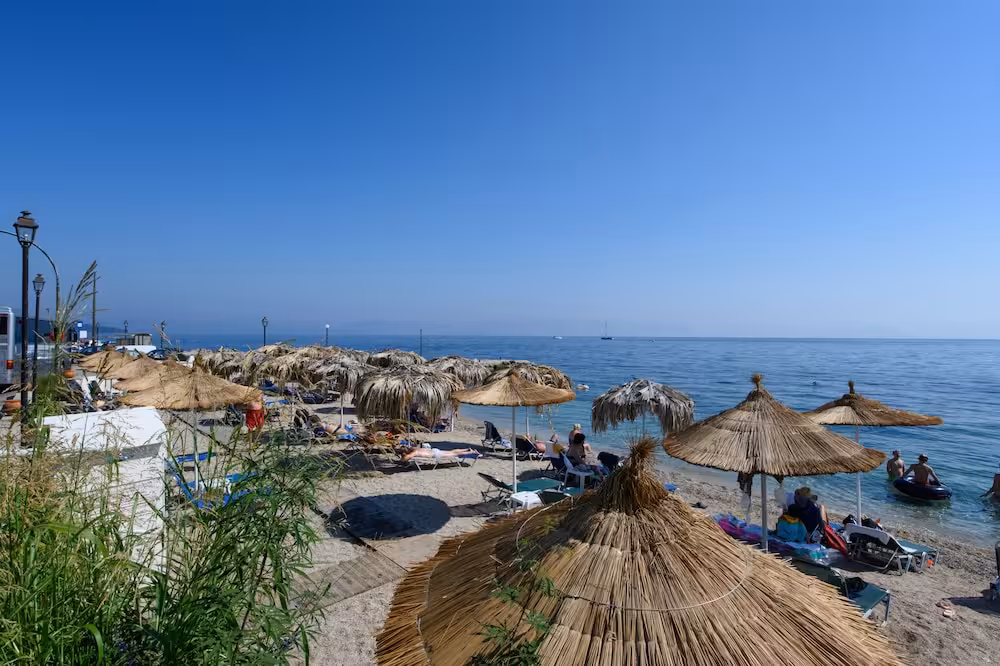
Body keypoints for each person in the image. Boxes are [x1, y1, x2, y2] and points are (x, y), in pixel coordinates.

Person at [401, 446, 478, 462]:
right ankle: (468, 449)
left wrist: (403, 458)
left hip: (436, 454)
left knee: (455, 454)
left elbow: (405, 458)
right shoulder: (415, 449)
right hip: (435, 450)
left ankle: (471, 452)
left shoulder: (415, 452)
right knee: (452, 451)